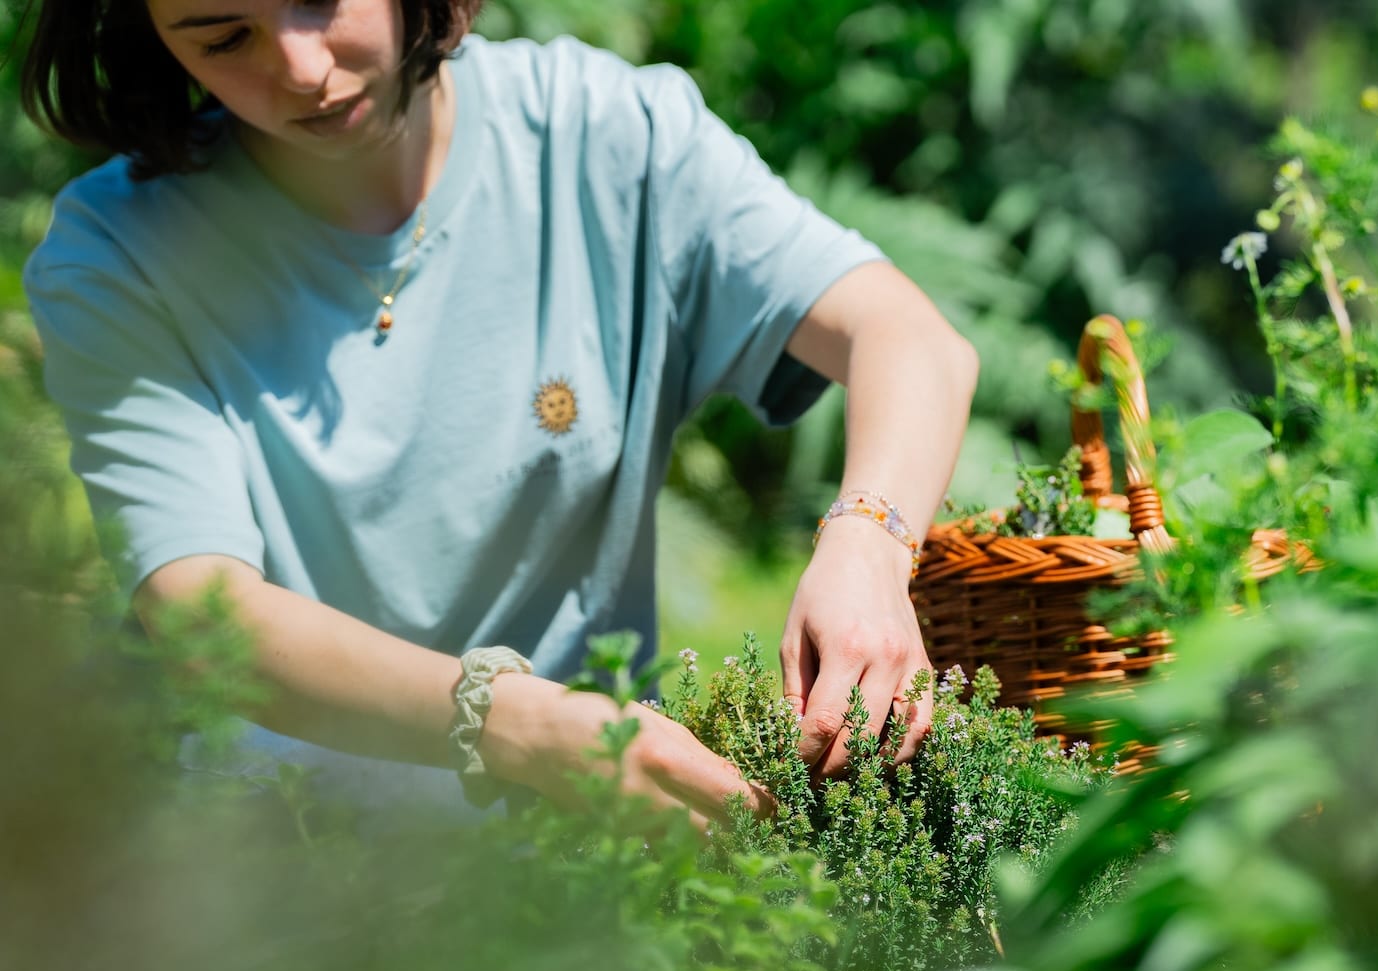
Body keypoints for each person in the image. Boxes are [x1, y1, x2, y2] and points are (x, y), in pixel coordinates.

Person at [18, 0, 979, 829]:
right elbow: (198, 605)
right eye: (223, 37)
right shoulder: (116, 254)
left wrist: (869, 543)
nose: (301, 68)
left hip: (596, 854)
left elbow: (906, 337)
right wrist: (507, 717)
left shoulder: (610, 136)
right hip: (284, 884)